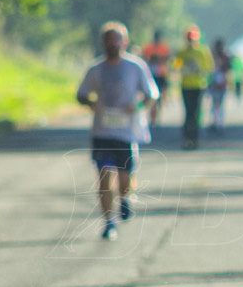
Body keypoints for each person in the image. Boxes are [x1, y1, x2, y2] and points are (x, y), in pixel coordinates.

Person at [76, 21, 159, 241]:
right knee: (104, 177)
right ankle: (108, 222)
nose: (113, 43)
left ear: (125, 42)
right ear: (103, 42)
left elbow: (152, 95)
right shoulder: (96, 69)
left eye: (117, 39)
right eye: (109, 39)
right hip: (102, 132)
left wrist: (138, 106)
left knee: (124, 178)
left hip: (127, 131)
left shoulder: (135, 67)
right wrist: (91, 102)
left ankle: (125, 199)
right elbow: (81, 93)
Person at [172, 25, 213, 150]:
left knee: (196, 113)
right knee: (188, 112)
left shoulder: (202, 51)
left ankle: (194, 138)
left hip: (198, 85)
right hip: (185, 85)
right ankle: (187, 138)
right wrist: (182, 67)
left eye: (193, 39)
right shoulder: (182, 52)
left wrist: (199, 69)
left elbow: (209, 67)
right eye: (189, 39)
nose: (191, 42)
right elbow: (176, 66)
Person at [141, 30, 170, 127]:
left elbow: (168, 58)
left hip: (161, 73)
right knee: (153, 95)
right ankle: (153, 116)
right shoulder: (148, 47)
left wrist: (159, 59)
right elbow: (144, 58)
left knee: (161, 96)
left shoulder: (164, 47)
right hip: (152, 74)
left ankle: (157, 113)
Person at [209, 38, 232, 133]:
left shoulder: (225, 56)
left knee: (220, 103)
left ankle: (219, 122)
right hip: (214, 83)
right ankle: (215, 121)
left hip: (222, 83)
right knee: (215, 103)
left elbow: (228, 68)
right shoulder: (212, 57)